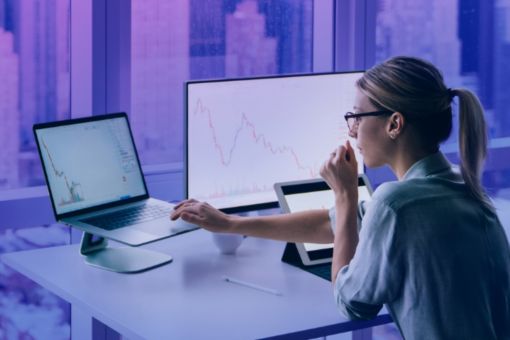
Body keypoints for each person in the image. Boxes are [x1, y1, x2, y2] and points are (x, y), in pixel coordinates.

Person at [171, 56, 510, 339]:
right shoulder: (460, 187)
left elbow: (351, 303)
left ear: (394, 124)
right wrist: (229, 223)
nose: (351, 131)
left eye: (357, 118)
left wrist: (345, 194)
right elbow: (332, 223)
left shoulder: (395, 204)